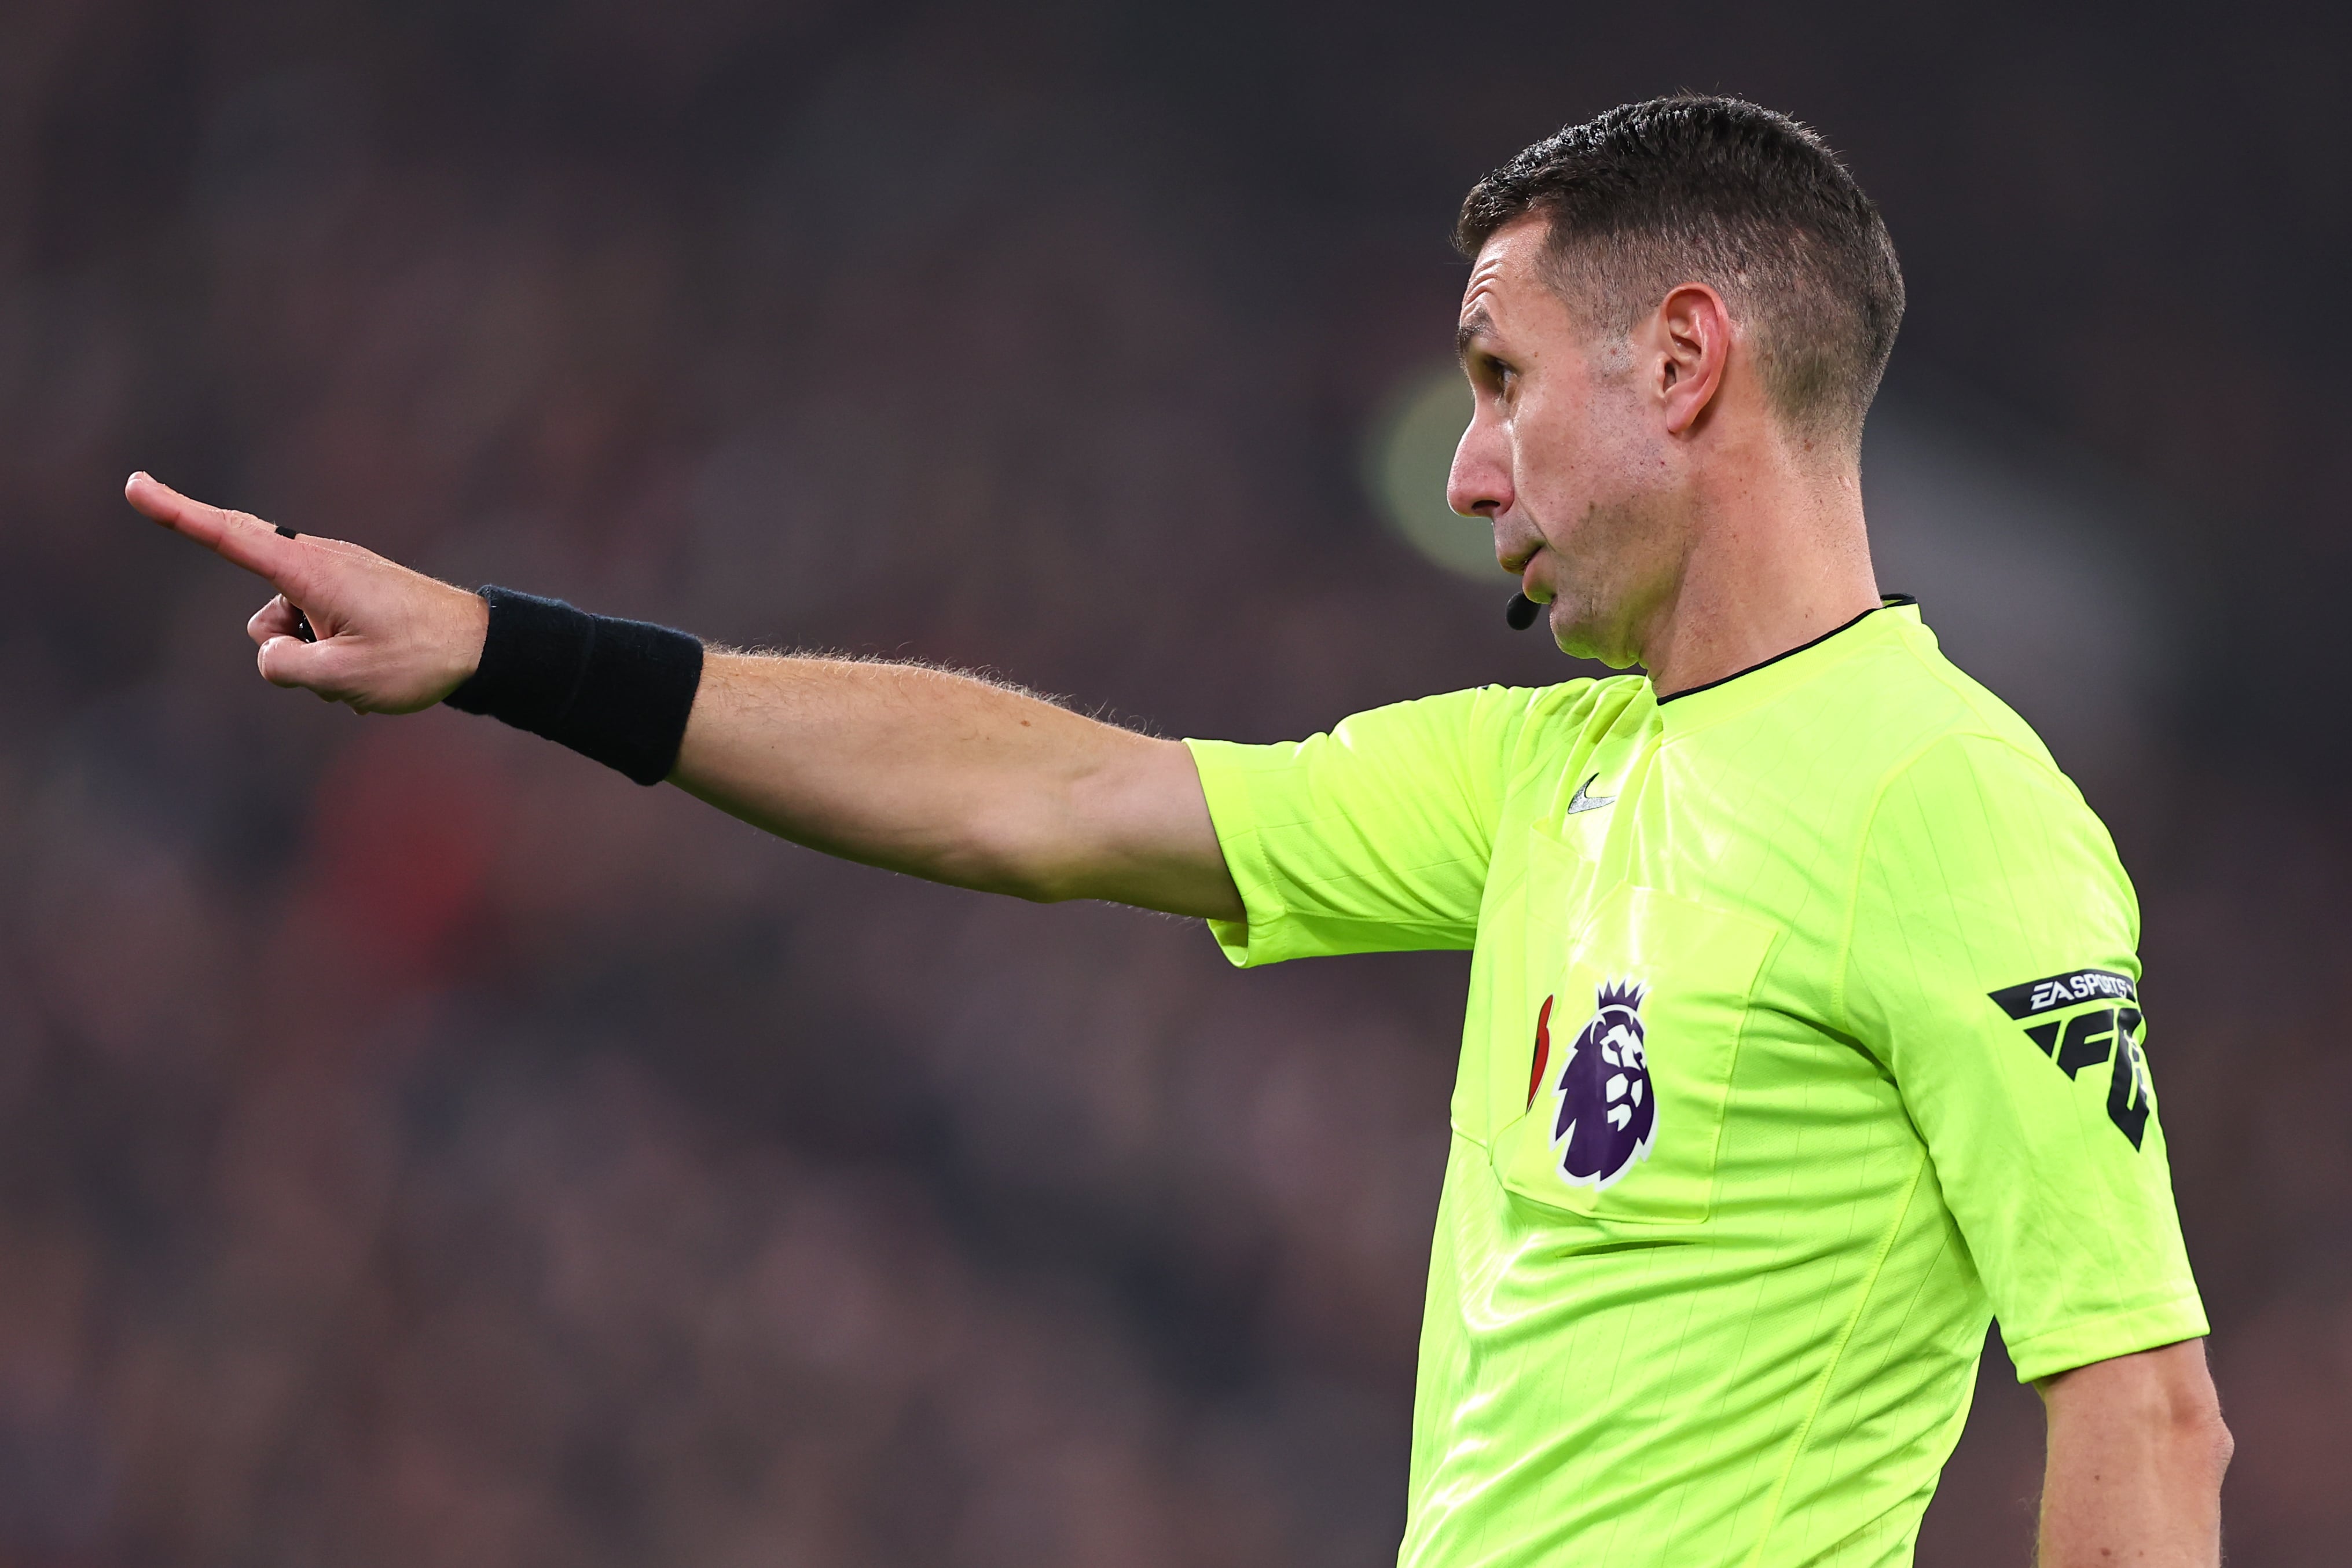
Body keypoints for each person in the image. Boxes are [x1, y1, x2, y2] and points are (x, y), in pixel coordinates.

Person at [124, 96, 2228, 1567]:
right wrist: (505, 648)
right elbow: (1041, 796)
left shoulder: (1948, 807)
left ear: (1686, 361)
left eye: (1500, 381)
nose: (1473, 472)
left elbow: (2142, 1406)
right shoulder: (1553, 774)